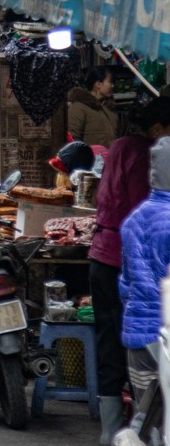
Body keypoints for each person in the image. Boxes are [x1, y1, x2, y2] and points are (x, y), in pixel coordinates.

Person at [90, 97, 170, 444]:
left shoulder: (120, 145)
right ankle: (139, 430)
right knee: (144, 354)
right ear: (157, 129)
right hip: (124, 260)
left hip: (103, 255)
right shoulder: (145, 156)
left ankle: (110, 431)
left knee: (109, 342)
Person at [119, 136, 170, 426]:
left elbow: (126, 284)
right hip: (165, 337)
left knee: (145, 415)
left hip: (137, 338)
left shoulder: (135, 218)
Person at [68, 66, 119, 147]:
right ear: (98, 84)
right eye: (110, 82)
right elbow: (72, 139)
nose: (112, 86)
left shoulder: (110, 109)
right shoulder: (79, 108)